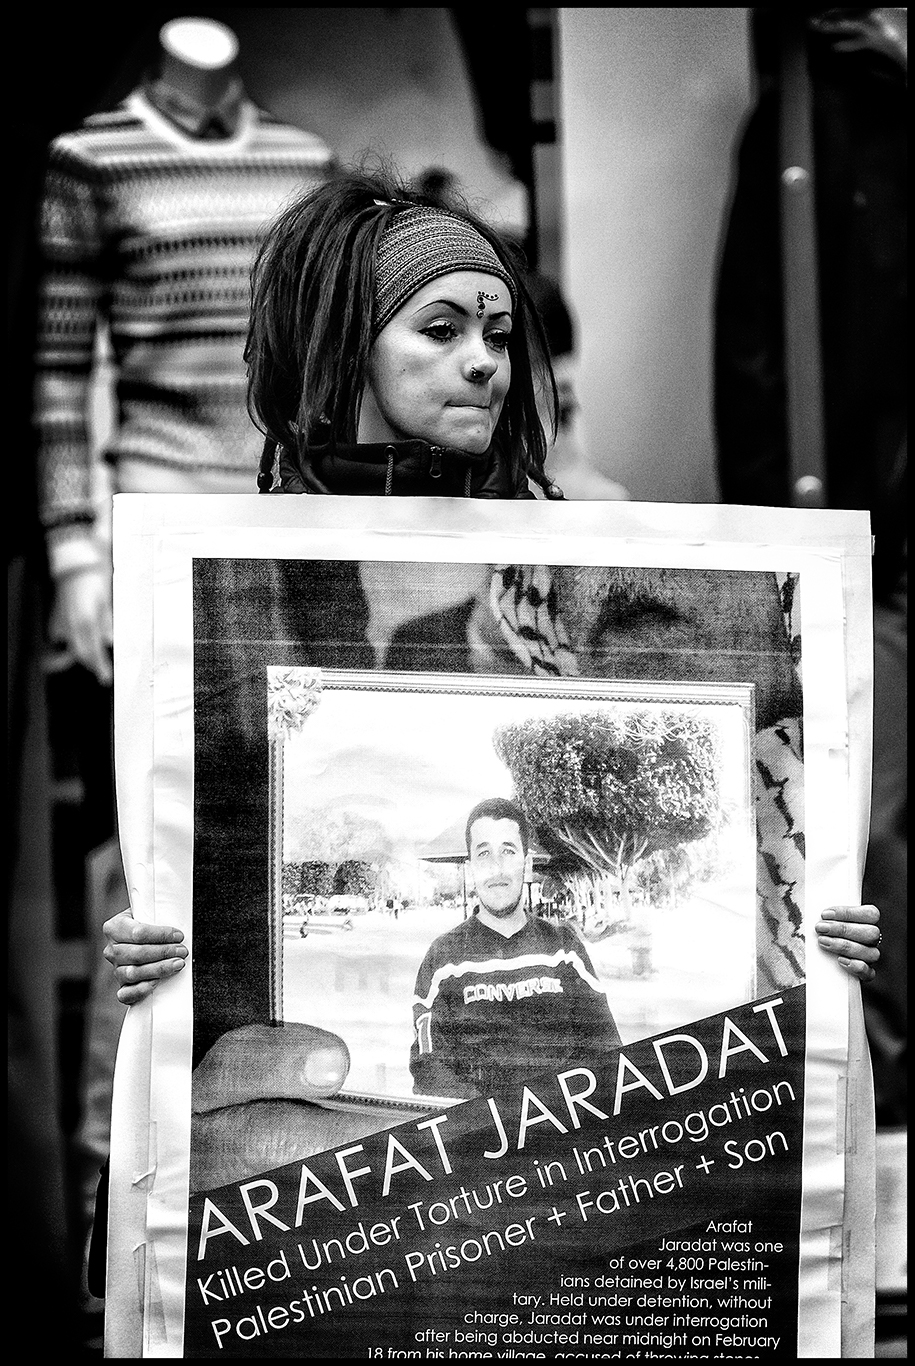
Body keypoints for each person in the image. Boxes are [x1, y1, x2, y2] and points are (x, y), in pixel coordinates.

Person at [103, 165, 883, 1001]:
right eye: (440, 330)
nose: (483, 363)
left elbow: (735, 808)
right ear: (346, 345)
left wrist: (805, 913)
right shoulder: (233, 577)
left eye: (500, 336)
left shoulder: (583, 569)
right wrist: (162, 940)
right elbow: (222, 837)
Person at [410, 797, 622, 1100]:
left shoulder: (565, 949)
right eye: (484, 853)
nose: (496, 868)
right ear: (471, 867)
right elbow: (429, 1068)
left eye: (508, 851)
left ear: (527, 863)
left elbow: (607, 1052)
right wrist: (495, 1116)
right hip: (482, 1124)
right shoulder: (443, 958)